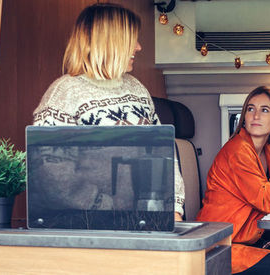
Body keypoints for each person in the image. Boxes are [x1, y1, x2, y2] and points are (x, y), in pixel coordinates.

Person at [32, 3, 185, 221]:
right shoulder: (64, 93)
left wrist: (174, 208)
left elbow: (163, 153)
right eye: (132, 40)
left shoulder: (137, 89)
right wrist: (106, 206)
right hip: (88, 225)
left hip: (142, 222)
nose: (139, 47)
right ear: (110, 42)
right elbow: (52, 175)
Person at [195, 86, 270, 275]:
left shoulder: (268, 154)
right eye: (250, 109)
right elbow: (266, 200)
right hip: (221, 244)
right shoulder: (237, 150)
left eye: (264, 110)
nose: (255, 116)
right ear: (244, 117)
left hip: (246, 237)